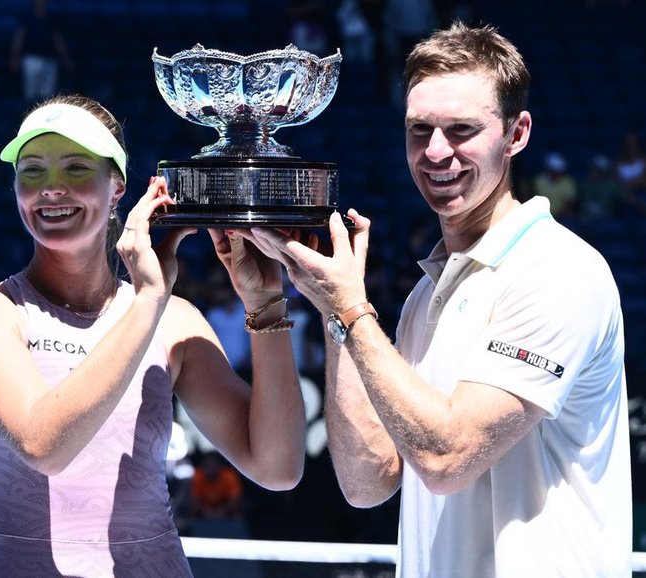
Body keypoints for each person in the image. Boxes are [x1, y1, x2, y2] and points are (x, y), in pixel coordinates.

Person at [237, 21, 632, 577]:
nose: (436, 152)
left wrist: (352, 310)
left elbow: (447, 458)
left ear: (516, 134)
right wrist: (334, 311)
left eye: (462, 129)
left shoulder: (560, 271)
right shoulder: (428, 293)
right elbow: (366, 482)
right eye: (419, 130)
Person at [0, 94, 305, 577]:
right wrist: (148, 299)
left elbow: (277, 468)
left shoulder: (175, 320)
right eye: (32, 170)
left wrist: (264, 304)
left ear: (118, 186)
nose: (51, 188)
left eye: (74, 168)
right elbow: (44, 446)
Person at [9, 0, 75, 102]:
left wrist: (66, 60)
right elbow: (19, 38)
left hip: (50, 60)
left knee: (49, 96)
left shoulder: (51, 19)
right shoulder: (27, 18)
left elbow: (58, 41)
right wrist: (14, 57)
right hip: (31, 59)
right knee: (30, 94)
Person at [532, 151, 578, 219]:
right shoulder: (538, 180)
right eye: (554, 170)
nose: (556, 173)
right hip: (540, 216)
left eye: (558, 170)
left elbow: (569, 204)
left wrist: (555, 217)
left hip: (561, 217)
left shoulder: (568, 182)